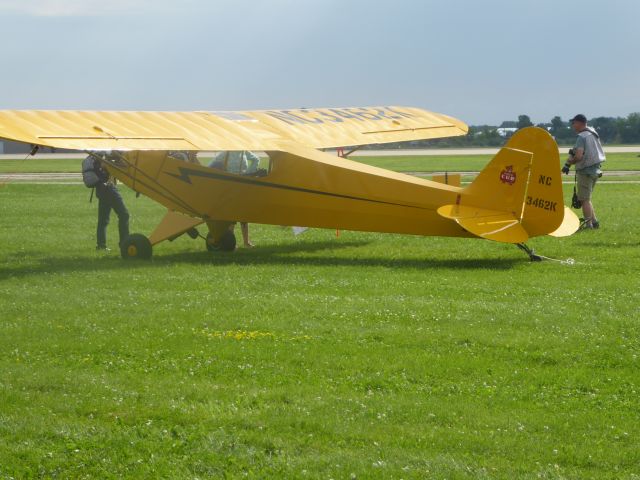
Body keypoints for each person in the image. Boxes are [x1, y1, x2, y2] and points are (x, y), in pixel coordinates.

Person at [208, 151, 260, 247]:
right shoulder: (225, 153)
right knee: (232, 216)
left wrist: (248, 174)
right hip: (230, 187)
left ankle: (246, 242)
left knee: (243, 216)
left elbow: (256, 159)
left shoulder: (244, 151)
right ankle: (231, 242)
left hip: (242, 186)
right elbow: (211, 166)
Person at [562, 114, 605, 229]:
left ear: (580, 123)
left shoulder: (582, 136)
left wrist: (569, 163)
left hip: (585, 171)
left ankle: (588, 225)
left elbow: (579, 156)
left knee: (583, 200)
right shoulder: (593, 132)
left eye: (574, 123)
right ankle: (594, 222)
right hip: (596, 170)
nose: (572, 125)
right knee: (587, 198)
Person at [92, 157, 130, 251]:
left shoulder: (99, 158)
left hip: (101, 190)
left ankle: (101, 245)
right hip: (109, 189)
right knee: (124, 215)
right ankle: (124, 243)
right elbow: (124, 166)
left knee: (103, 220)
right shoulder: (106, 159)